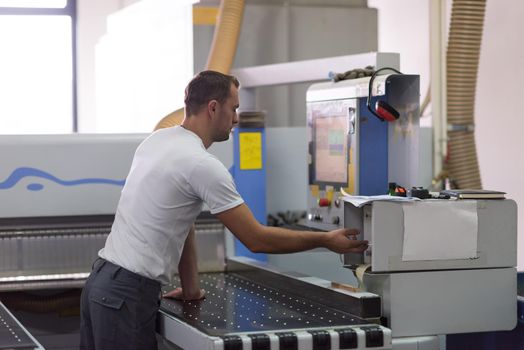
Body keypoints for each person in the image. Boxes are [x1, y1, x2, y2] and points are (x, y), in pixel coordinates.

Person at [79, 70, 368, 350]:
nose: (237, 118)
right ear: (213, 108)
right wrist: (325, 240)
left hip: (101, 284)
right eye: (234, 108)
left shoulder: (156, 142)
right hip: (128, 295)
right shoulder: (201, 165)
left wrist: (191, 289)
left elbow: (182, 222)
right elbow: (257, 239)